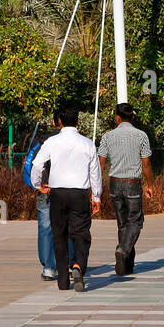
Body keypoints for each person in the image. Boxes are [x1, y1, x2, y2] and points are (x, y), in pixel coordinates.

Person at [31, 108, 101, 293]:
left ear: (60, 121)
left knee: (59, 235)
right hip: (79, 193)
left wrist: (37, 184)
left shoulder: (52, 142)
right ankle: (78, 266)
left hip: (58, 193)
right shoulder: (87, 144)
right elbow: (95, 172)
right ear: (78, 121)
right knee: (81, 234)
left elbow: (37, 164)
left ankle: (62, 280)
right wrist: (96, 196)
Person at [98, 102, 154, 277]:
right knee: (136, 221)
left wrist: (97, 186)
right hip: (132, 183)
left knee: (123, 223)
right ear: (132, 117)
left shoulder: (108, 136)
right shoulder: (141, 136)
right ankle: (123, 250)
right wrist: (150, 184)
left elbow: (100, 163)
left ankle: (127, 266)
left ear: (117, 118)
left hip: (114, 182)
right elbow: (145, 163)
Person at [23, 133, 72, 281]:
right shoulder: (77, 141)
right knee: (68, 226)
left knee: (45, 228)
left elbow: (31, 164)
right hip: (68, 190)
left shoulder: (43, 141)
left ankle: (49, 267)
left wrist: (36, 185)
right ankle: (68, 264)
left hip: (45, 190)